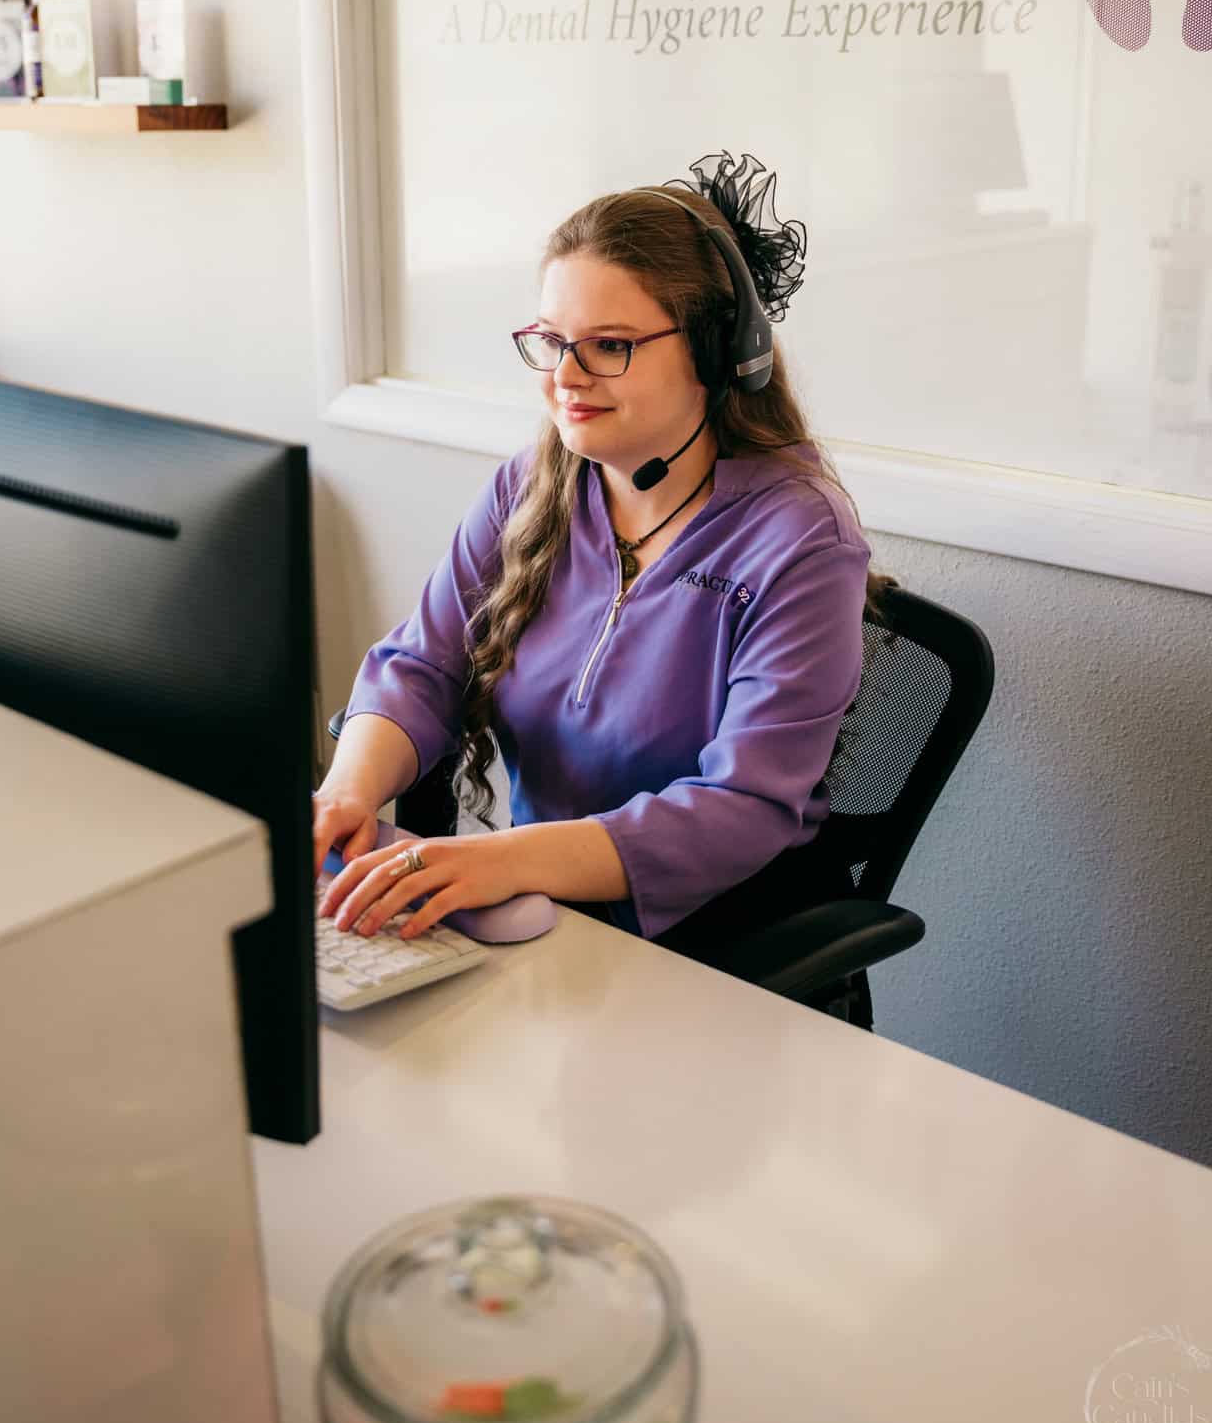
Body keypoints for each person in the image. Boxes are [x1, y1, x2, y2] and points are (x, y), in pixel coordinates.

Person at [314, 150, 878, 944]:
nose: (565, 378)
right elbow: (424, 665)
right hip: (549, 906)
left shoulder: (801, 541)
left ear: (715, 356)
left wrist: (500, 861)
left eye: (609, 345)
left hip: (721, 939)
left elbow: (742, 805)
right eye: (551, 341)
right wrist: (346, 791)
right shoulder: (534, 485)